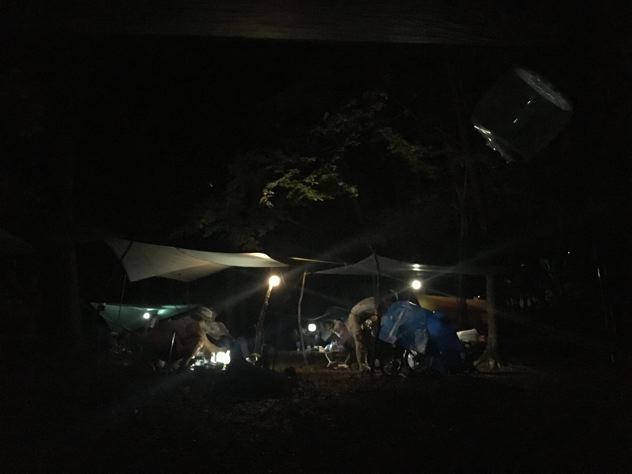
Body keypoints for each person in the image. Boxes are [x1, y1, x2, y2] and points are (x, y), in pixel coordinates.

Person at [345, 293, 396, 372]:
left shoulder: (380, 304)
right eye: (390, 302)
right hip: (355, 317)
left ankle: (366, 363)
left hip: (364, 318)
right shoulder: (377, 304)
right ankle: (362, 366)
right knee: (360, 339)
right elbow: (379, 319)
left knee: (367, 341)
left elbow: (378, 319)